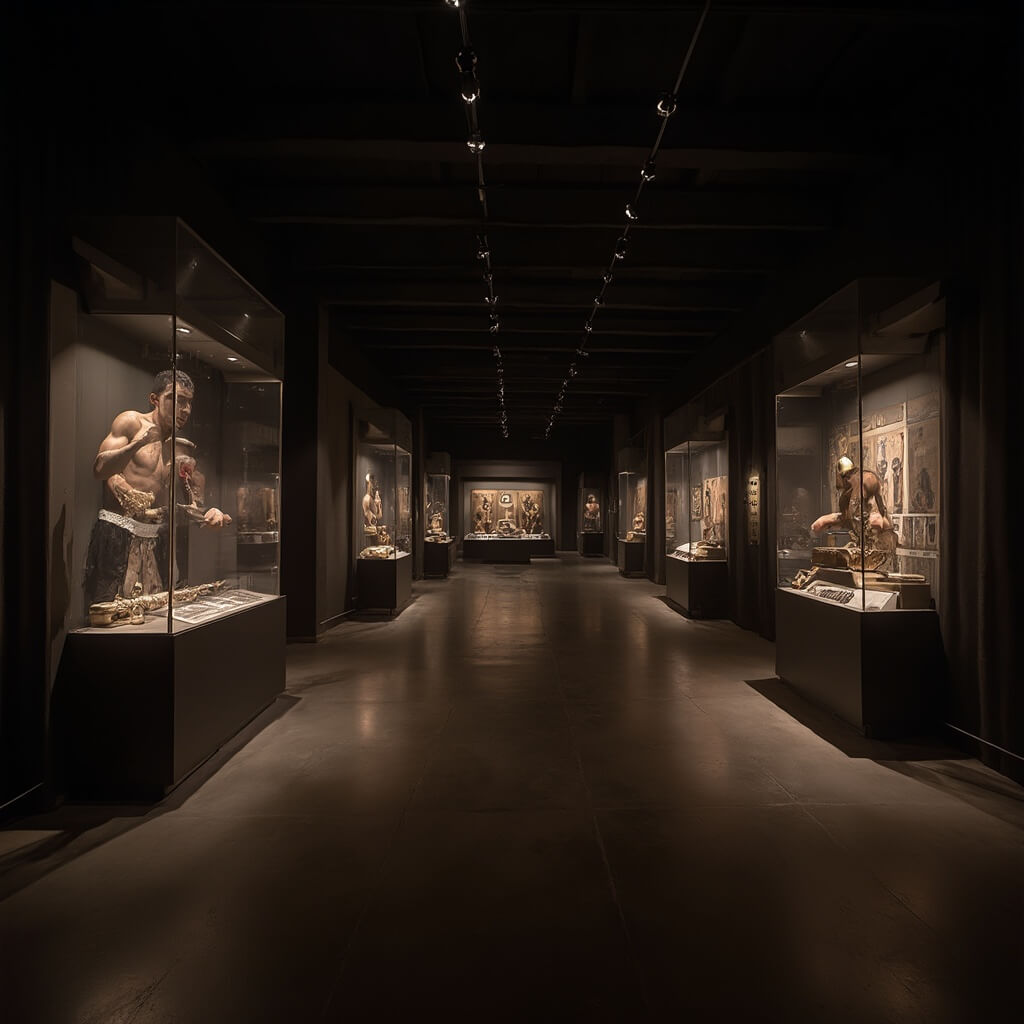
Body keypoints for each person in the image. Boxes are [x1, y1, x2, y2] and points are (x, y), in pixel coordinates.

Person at [84, 369, 228, 608]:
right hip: (120, 532)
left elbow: (187, 503)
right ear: (155, 399)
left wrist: (209, 514)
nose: (185, 410)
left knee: (157, 613)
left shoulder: (178, 448)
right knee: (112, 611)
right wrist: (140, 442)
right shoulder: (131, 422)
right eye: (177, 400)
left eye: (189, 403)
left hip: (158, 538)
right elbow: (100, 469)